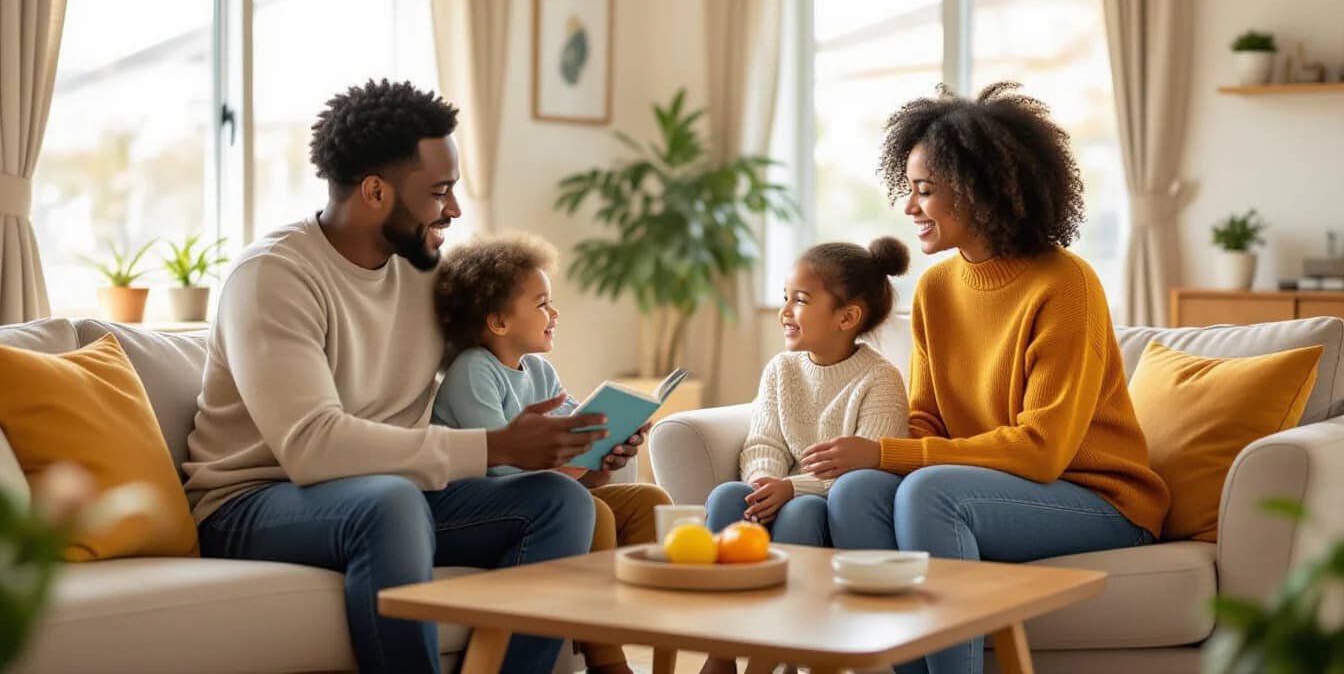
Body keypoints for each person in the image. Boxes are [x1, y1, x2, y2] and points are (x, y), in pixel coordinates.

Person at [183, 79, 644, 674]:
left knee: (558, 504)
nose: (453, 209)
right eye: (439, 192)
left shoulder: (424, 275)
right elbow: (312, 448)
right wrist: (496, 445)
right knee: (391, 499)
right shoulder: (274, 276)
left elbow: (503, 357)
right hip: (251, 503)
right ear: (376, 192)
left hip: (387, 494)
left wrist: (590, 443)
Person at [798, 82, 1171, 674]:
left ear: (980, 191)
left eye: (925, 191)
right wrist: (867, 456)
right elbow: (928, 417)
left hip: (1102, 501)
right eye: (909, 188)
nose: (909, 207)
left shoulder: (1064, 284)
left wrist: (887, 451)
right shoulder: (936, 290)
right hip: (990, 488)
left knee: (929, 490)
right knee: (857, 491)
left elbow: (1044, 452)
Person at [432, 231, 673, 674]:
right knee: (593, 512)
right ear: (498, 322)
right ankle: (607, 661)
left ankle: (646, 630)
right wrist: (580, 468)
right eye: (541, 303)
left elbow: (575, 434)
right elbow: (498, 472)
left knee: (648, 503)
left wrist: (608, 451)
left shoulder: (539, 370)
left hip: (547, 496)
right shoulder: (473, 373)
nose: (554, 312)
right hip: (485, 509)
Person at [698, 237, 912, 674]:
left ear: (847, 317)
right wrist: (762, 483)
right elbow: (764, 442)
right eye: (784, 299)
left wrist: (790, 488)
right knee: (725, 498)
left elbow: (866, 470)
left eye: (800, 301)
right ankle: (719, 653)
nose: (784, 312)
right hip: (776, 490)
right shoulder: (782, 369)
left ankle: (776, 656)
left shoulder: (881, 380)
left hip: (826, 503)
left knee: (800, 515)